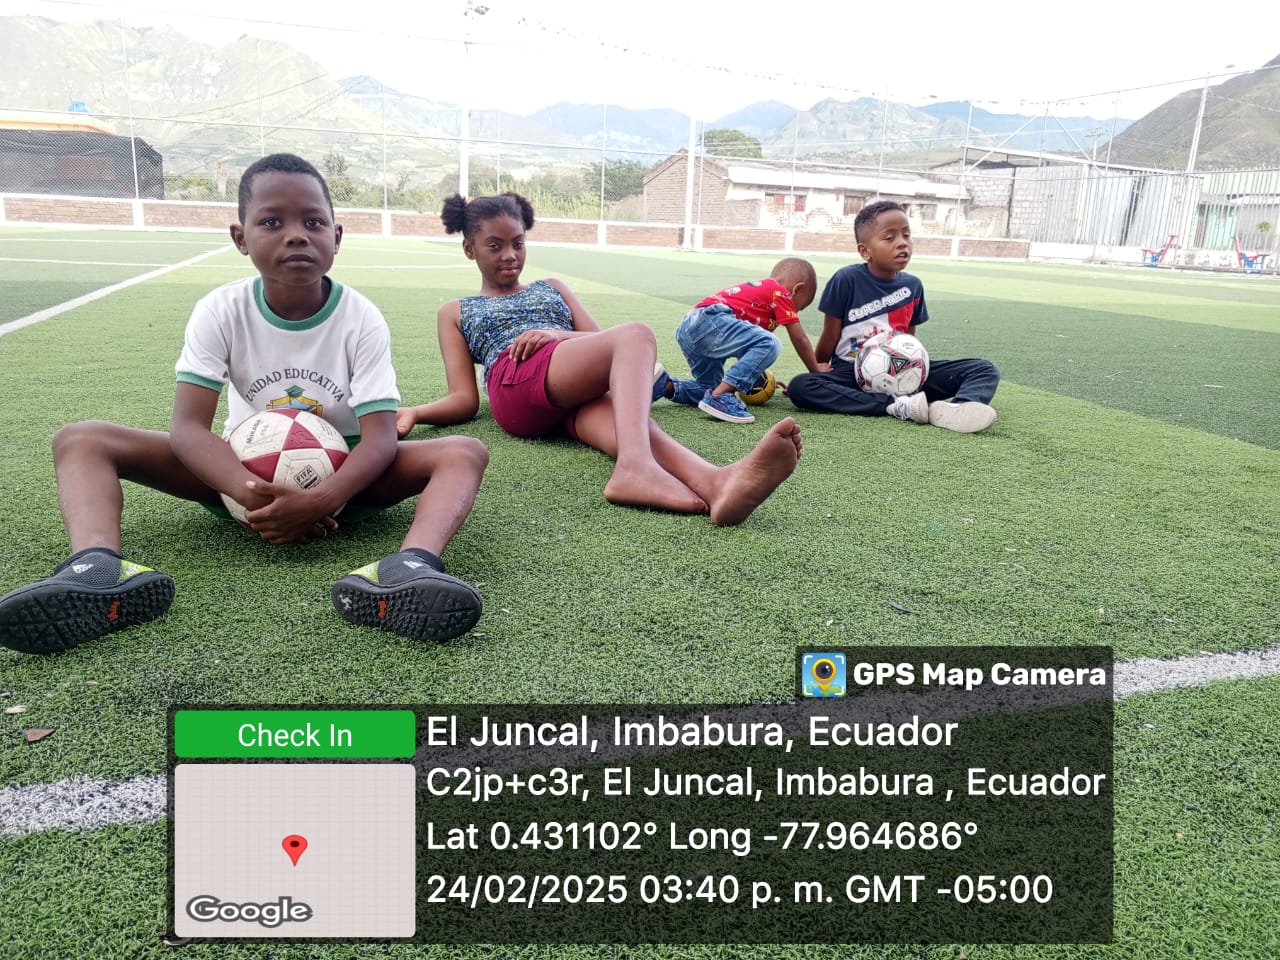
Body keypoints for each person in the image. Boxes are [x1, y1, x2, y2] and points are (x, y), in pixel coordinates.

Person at [0, 153, 488, 655]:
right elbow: (189, 429)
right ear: (241, 238)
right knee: (82, 439)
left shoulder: (360, 318)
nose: (296, 235)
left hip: (350, 482)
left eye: (313, 222)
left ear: (336, 237)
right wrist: (249, 495)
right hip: (237, 477)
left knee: (464, 451)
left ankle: (409, 566)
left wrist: (322, 499)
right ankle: (97, 570)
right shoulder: (221, 310)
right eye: (272, 222)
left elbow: (381, 438)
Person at [395, 191, 802, 525]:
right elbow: (464, 399)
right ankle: (635, 469)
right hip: (515, 381)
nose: (510, 255)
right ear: (470, 249)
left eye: (518, 243)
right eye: (495, 246)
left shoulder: (551, 286)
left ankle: (716, 484)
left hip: (568, 392)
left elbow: (599, 342)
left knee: (632, 423)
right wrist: (415, 411)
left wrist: (556, 333)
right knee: (637, 334)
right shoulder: (456, 310)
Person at [785, 200, 1000, 432]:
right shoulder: (846, 279)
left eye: (906, 235)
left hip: (905, 371)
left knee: (984, 369)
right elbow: (830, 334)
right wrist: (816, 371)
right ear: (865, 251)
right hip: (851, 372)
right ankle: (895, 405)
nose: (902, 243)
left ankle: (958, 409)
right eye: (889, 238)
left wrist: (913, 369)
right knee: (801, 387)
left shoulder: (913, 286)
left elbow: (909, 337)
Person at [658, 257, 826, 425]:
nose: (794, 312)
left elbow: (747, 355)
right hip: (710, 320)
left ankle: (663, 386)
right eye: (798, 308)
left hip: (689, 328)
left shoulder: (763, 300)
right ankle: (721, 396)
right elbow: (799, 338)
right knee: (771, 344)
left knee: (708, 388)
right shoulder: (780, 293)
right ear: (797, 289)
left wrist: (760, 379)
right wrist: (815, 369)